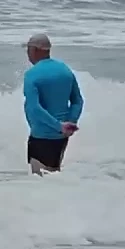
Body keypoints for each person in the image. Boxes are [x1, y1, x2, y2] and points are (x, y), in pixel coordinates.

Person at [22, 33, 83, 174]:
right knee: (54, 175)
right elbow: (77, 101)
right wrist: (70, 123)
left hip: (41, 136)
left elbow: (34, 108)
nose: (27, 54)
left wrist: (59, 126)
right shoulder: (65, 70)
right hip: (61, 137)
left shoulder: (32, 75)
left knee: (41, 181)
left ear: (35, 50)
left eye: (28, 50)